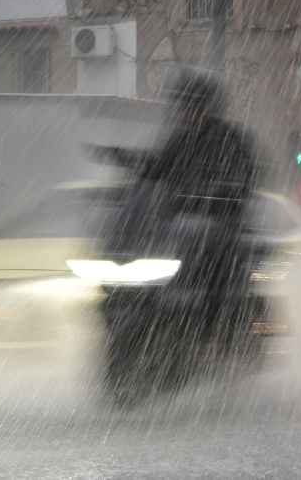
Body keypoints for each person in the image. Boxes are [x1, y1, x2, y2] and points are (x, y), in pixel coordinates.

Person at [99, 68, 265, 345]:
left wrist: (222, 194)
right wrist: (127, 161)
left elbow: (248, 177)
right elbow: (157, 168)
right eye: (182, 105)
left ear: (209, 106)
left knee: (217, 267)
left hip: (218, 225)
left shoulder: (232, 138)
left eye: (192, 105)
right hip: (172, 228)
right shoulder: (180, 138)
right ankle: (135, 318)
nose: (184, 112)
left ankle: (217, 330)